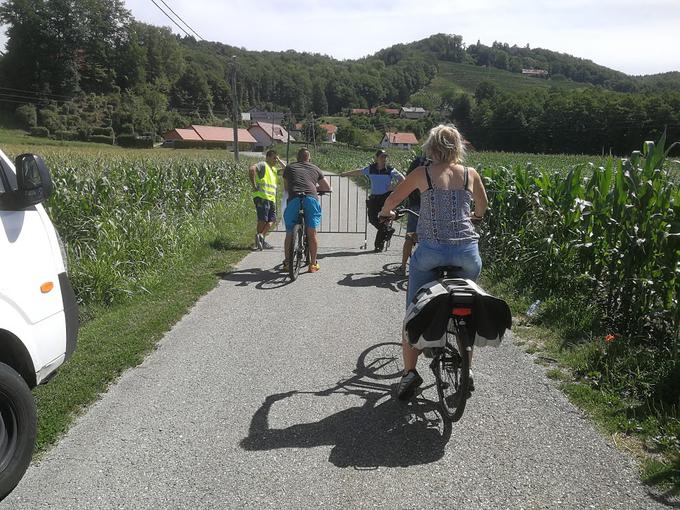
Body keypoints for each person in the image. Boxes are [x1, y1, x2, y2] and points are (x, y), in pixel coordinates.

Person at [379, 124, 488, 399]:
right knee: (467, 307)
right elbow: (482, 206)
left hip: (431, 252)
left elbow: (393, 199)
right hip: (467, 253)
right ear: (457, 147)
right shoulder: (469, 174)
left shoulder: (422, 173)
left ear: (431, 147)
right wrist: (473, 217)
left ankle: (409, 374)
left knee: (413, 311)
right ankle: (467, 369)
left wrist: (386, 212)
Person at [341, 150, 404, 251]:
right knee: (372, 219)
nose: (384, 159)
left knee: (383, 220)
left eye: (385, 157)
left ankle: (378, 246)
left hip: (385, 197)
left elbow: (403, 179)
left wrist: (393, 188)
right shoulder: (371, 168)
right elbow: (359, 171)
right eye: (382, 157)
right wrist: (345, 174)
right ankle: (388, 230)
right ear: (377, 158)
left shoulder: (390, 170)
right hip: (374, 197)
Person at [282, 147, 332, 273]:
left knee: (289, 232)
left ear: (297, 158)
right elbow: (327, 187)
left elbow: (287, 188)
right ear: (309, 158)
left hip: (294, 199)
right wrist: (316, 188)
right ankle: (313, 264)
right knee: (312, 232)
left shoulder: (289, 168)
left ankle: (288, 263)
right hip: (310, 198)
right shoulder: (315, 168)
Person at [399, 153, 430, 275]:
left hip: (416, 203)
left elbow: (407, 181)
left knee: (410, 235)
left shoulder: (418, 162)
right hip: (433, 206)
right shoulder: (442, 164)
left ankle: (402, 266)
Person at [249, 149, 286, 250]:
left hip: (271, 199)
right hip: (262, 197)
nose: (275, 160)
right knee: (262, 220)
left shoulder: (273, 169)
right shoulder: (263, 165)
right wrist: (254, 185)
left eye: (276, 158)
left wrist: (279, 160)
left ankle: (261, 237)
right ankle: (258, 243)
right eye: (274, 158)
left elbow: (287, 170)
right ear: (268, 157)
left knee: (272, 220)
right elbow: (252, 169)